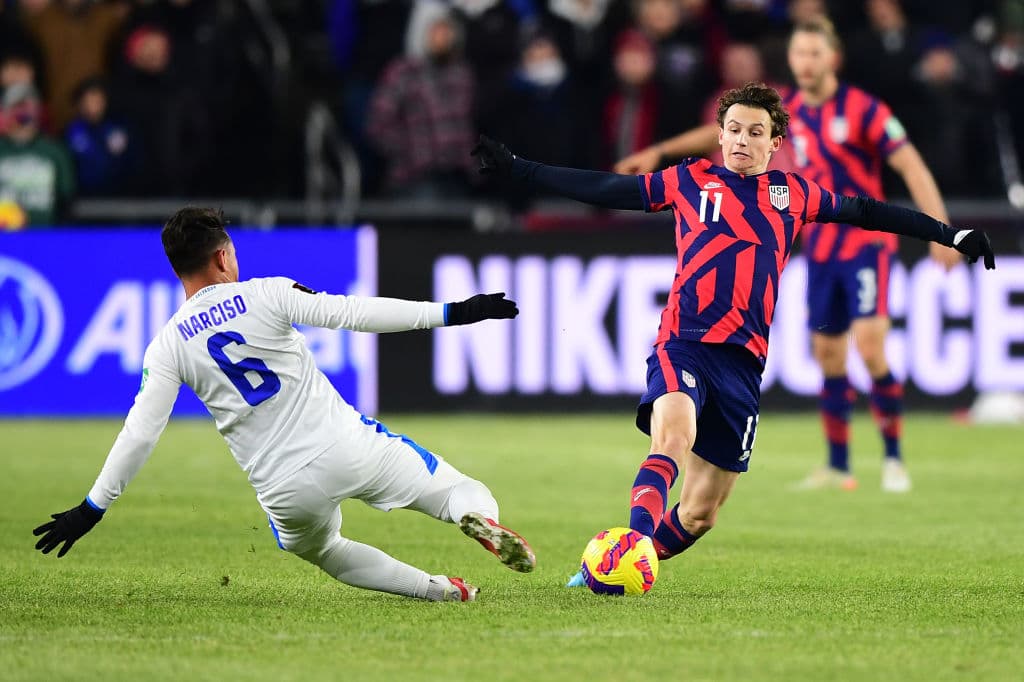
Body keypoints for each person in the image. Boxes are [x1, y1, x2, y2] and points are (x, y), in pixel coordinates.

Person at [470, 82, 995, 587]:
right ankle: (628, 547)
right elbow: (607, 189)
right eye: (734, 129)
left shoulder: (795, 195)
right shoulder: (688, 181)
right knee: (674, 437)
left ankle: (599, 568)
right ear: (720, 135)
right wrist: (521, 170)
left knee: (700, 513)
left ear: (775, 143)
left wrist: (952, 234)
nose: (743, 140)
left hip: (744, 364)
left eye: (755, 132)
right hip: (686, 340)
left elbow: (869, 212)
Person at [32, 207, 536, 603]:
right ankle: (477, 518)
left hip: (284, 490)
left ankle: (437, 590)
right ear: (223, 256)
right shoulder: (267, 294)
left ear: (176, 268)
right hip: (349, 446)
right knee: (457, 491)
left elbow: (140, 432)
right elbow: (352, 312)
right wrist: (452, 312)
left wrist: (93, 507)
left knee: (324, 550)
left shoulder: (167, 346)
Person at [614, 18, 962, 493]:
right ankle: (839, 464)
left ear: (832, 58)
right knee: (828, 352)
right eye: (799, 54)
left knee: (871, 346)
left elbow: (911, 164)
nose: (805, 63)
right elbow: (715, 132)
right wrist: (657, 151)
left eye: (815, 54)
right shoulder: (790, 109)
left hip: (865, 246)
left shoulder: (865, 110)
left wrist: (940, 229)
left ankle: (894, 458)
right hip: (819, 245)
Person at [0, 82, 75, 227]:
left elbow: (66, 194)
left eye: (30, 109)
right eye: (18, 108)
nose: (24, 115)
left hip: (44, 237)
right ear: (6, 113)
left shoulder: (54, 151)